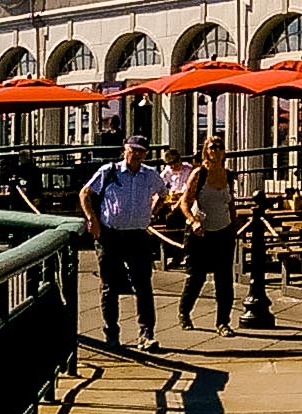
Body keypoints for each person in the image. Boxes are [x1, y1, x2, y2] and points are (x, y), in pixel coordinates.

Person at [80, 139, 174, 351]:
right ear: (125, 149)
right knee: (109, 287)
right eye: (133, 150)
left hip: (137, 235)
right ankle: (111, 333)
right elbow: (85, 193)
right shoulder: (109, 171)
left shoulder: (149, 174)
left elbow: (163, 193)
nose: (137, 155)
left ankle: (146, 333)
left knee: (143, 285)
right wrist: (92, 219)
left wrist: (152, 212)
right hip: (110, 235)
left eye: (142, 152)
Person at [176, 137, 239, 335]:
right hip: (200, 233)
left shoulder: (228, 175)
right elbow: (184, 203)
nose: (217, 150)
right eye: (213, 147)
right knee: (196, 277)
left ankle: (223, 322)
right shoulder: (199, 174)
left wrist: (233, 224)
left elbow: (230, 202)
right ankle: (184, 312)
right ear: (206, 151)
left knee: (224, 280)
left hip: (223, 230)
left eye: (220, 147)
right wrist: (194, 221)